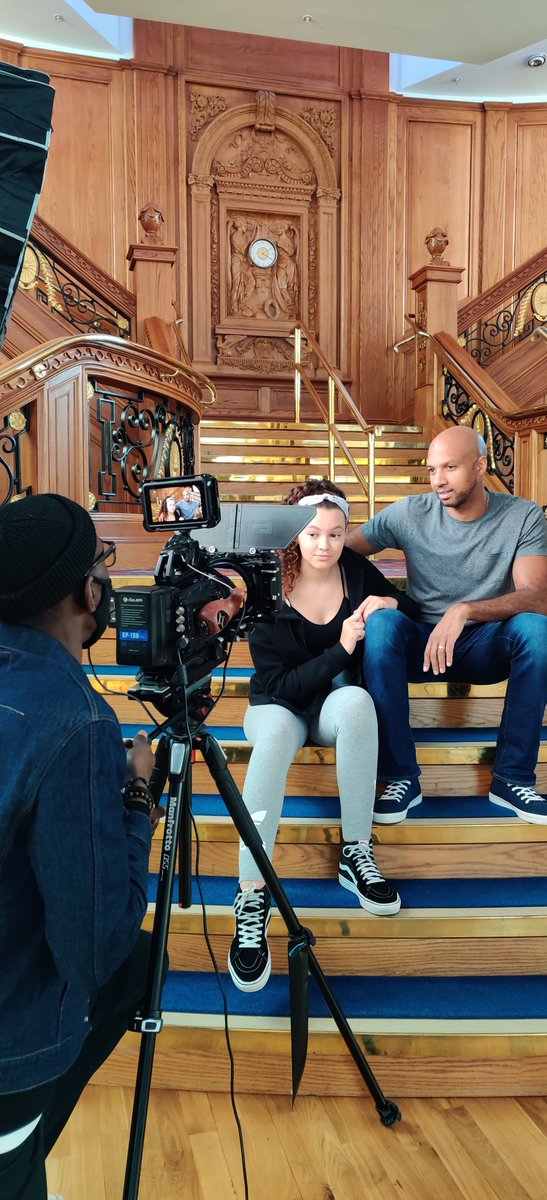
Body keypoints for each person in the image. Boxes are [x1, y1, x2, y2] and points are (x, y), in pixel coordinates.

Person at [0, 493, 163, 1200]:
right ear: (88, 592)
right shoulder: (79, 722)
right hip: (9, 1053)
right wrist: (137, 802)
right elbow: (92, 946)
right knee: (128, 959)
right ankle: (20, 1153)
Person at [228, 479, 420, 993]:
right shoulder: (267, 586)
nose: (324, 545)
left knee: (358, 703)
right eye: (313, 533)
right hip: (279, 706)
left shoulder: (353, 570)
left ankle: (356, 853)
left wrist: (385, 608)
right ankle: (252, 893)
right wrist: (341, 648)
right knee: (270, 741)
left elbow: (404, 603)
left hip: (331, 704)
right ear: (294, 535)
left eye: (336, 534)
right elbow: (280, 684)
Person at [345, 424, 547, 825]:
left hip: (487, 645)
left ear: (481, 466)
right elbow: (340, 551)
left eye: (450, 468)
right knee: (383, 625)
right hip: (422, 645)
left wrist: (464, 610)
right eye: (432, 470)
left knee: (537, 631)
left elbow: (537, 596)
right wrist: (383, 597)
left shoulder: (522, 515)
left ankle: (512, 777)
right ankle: (401, 776)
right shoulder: (410, 512)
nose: (438, 480)